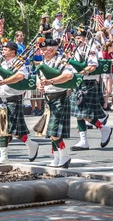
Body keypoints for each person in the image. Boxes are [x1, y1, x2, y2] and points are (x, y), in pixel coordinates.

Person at [0, 40, 39, 163]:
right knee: (2, 130)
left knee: (15, 131)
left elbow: (20, 76)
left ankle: (31, 145)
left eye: (5, 49)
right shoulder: (2, 63)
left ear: (13, 52)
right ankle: (4, 156)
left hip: (13, 99)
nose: (3, 51)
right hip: (2, 100)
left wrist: (3, 82)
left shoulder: (19, 64)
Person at [69, 30, 112, 151]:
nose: (78, 40)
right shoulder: (74, 50)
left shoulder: (91, 49)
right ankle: (83, 141)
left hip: (88, 82)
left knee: (85, 114)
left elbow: (93, 66)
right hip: (78, 82)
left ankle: (103, 128)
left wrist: (82, 72)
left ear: (85, 38)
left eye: (80, 38)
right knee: (78, 114)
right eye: (76, 38)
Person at [36, 38, 76, 168]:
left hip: (59, 97)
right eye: (42, 50)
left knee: (54, 132)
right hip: (48, 98)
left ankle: (64, 156)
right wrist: (39, 86)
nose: (43, 52)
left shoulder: (61, 61)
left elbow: (68, 76)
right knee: (50, 132)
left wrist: (51, 81)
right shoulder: (43, 62)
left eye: (45, 50)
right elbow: (38, 79)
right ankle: (57, 158)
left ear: (53, 50)